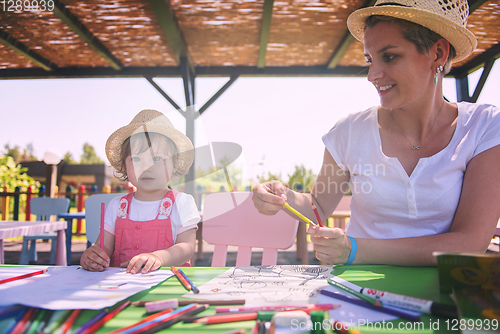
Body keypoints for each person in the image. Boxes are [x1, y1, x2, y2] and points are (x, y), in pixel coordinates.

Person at [253, 0, 500, 266]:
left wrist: (354, 250)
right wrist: (281, 196)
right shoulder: (349, 131)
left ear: (438, 53)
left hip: (445, 294)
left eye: (390, 56)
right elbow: (318, 206)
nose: (372, 75)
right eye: (370, 59)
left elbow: (468, 243)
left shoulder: (484, 127)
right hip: (355, 292)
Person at [80, 109, 200, 274]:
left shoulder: (182, 203)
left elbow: (187, 247)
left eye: (157, 158)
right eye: (136, 159)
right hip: (118, 289)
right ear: (124, 165)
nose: (146, 167)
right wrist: (93, 256)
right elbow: (103, 248)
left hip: (167, 286)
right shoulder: (116, 206)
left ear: (175, 164)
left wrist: (160, 257)